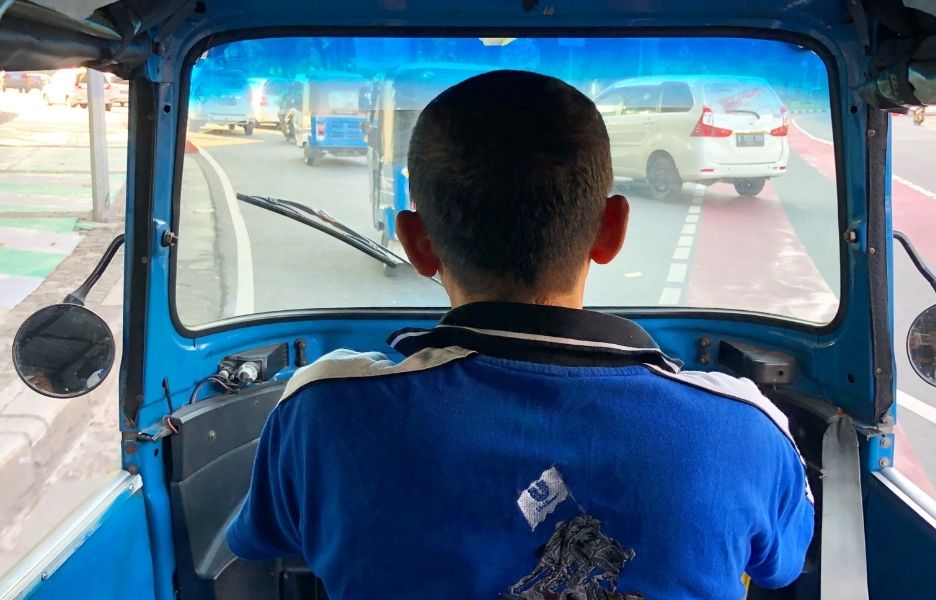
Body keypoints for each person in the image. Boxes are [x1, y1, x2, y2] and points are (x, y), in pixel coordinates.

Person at [227, 70, 814, 599]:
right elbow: (781, 567)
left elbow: (260, 540)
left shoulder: (321, 413)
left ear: (416, 244)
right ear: (611, 230)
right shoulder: (745, 430)